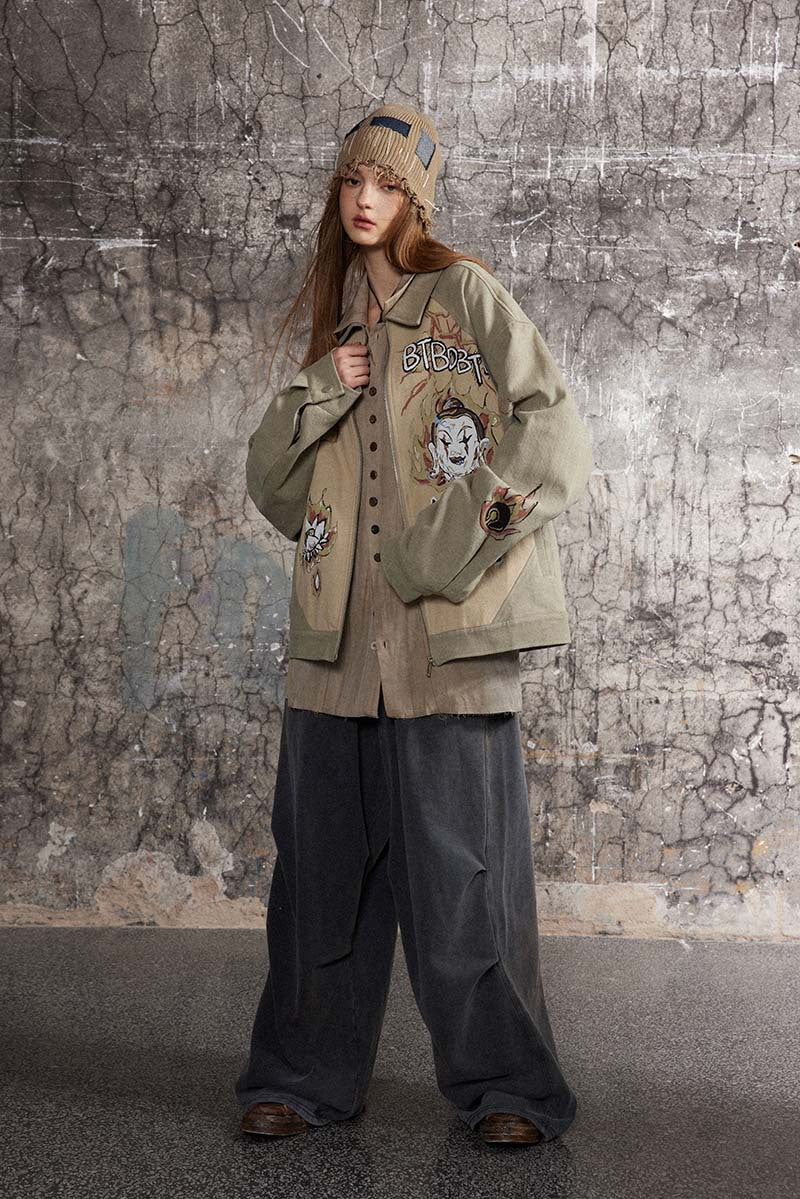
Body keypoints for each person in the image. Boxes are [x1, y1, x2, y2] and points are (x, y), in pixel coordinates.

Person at [235, 103, 593, 1146]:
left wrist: (457, 536)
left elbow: (554, 433)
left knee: (465, 877)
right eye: (353, 180)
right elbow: (279, 492)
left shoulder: (464, 295)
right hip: (336, 652)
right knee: (318, 878)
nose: (364, 199)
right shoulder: (339, 327)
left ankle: (508, 1086)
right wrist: (319, 386)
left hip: (447, 647)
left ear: (415, 200)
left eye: (386, 184)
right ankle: (299, 1076)